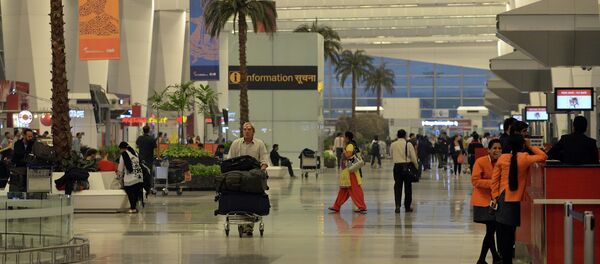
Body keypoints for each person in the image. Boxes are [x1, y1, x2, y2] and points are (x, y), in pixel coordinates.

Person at [491, 135, 547, 264]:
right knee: (511, 234)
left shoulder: (503, 158)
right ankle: (508, 259)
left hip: (502, 198)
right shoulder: (524, 158)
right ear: (521, 145)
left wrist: (495, 196)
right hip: (514, 200)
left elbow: (494, 181)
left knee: (502, 233)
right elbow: (543, 156)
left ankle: (505, 259)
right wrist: (529, 146)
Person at [228, 122, 269, 236]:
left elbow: (264, 160)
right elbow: (230, 160)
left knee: (251, 199)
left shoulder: (259, 144)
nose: (246, 131)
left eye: (249, 129)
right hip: (238, 176)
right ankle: (242, 223)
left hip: (253, 177)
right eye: (244, 129)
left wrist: (262, 170)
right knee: (239, 198)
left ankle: (248, 226)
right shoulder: (236, 144)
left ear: (253, 131)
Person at [471, 139, 503, 264]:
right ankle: (490, 258)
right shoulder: (481, 162)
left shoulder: (502, 162)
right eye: (494, 148)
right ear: (488, 150)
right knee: (491, 230)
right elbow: (475, 181)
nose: (497, 151)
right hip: (482, 201)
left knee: (491, 230)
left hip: (494, 201)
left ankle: (485, 259)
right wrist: (493, 183)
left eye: (500, 148)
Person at [328, 131, 367, 214]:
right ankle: (336, 206)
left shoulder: (349, 145)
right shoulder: (352, 144)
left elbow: (348, 155)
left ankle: (362, 206)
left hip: (350, 171)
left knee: (355, 189)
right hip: (348, 171)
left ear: (347, 138)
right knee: (343, 190)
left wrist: (343, 149)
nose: (343, 138)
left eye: (345, 137)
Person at [390, 129, 418, 213]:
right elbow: (413, 157)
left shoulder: (393, 144)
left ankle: (397, 206)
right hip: (407, 166)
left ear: (397, 135)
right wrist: (416, 166)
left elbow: (391, 155)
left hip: (397, 167)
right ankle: (407, 207)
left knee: (397, 187)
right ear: (405, 136)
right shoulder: (408, 144)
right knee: (408, 188)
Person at [118, 142, 144, 214]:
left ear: (122, 148)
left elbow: (120, 167)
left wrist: (119, 176)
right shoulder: (134, 152)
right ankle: (134, 207)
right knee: (135, 191)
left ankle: (133, 208)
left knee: (129, 191)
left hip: (131, 176)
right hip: (139, 175)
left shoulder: (124, 154)